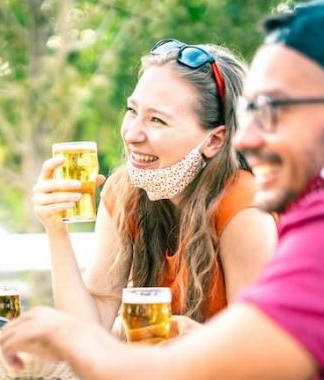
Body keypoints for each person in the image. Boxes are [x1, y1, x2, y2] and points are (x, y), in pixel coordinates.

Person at [1, 0, 324, 380]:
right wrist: (56, 230)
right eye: (250, 111)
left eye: (277, 110)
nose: (248, 138)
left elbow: (214, 379)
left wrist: (68, 337)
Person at [32, 39, 277, 334]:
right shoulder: (125, 192)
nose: (132, 134)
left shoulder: (244, 204)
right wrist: (56, 229)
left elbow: (258, 344)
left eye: (157, 120)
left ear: (214, 140)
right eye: (132, 111)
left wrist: (193, 336)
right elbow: (88, 329)